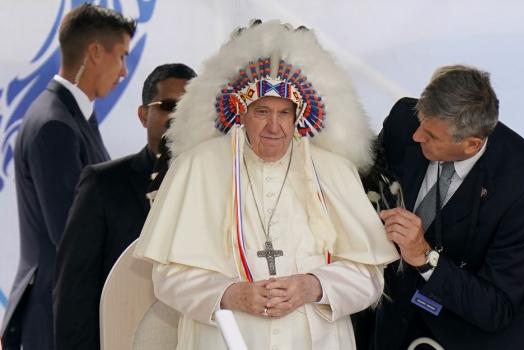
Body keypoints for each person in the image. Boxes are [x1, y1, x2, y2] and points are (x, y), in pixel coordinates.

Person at [134, 20, 399, 349]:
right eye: (262, 112)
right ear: (241, 113)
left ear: (298, 115)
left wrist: (313, 286)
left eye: (284, 113)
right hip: (225, 338)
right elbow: (168, 277)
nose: (274, 127)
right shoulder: (197, 167)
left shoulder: (334, 171)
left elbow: (368, 276)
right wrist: (232, 294)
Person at [373, 65, 524, 349]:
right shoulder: (404, 122)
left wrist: (424, 256)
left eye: (431, 136)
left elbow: (497, 307)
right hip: (399, 311)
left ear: (472, 144)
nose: (417, 135)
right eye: (420, 122)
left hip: (475, 333)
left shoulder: (523, 186)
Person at [1, 4, 136, 350]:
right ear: (94, 52)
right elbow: (71, 236)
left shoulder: (70, 116)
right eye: (121, 56)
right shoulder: (55, 125)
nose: (123, 72)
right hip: (53, 321)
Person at [52, 63, 196, 350]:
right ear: (144, 115)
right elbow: (74, 295)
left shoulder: (219, 187)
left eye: (191, 107)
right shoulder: (103, 184)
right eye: (168, 105)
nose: (180, 117)